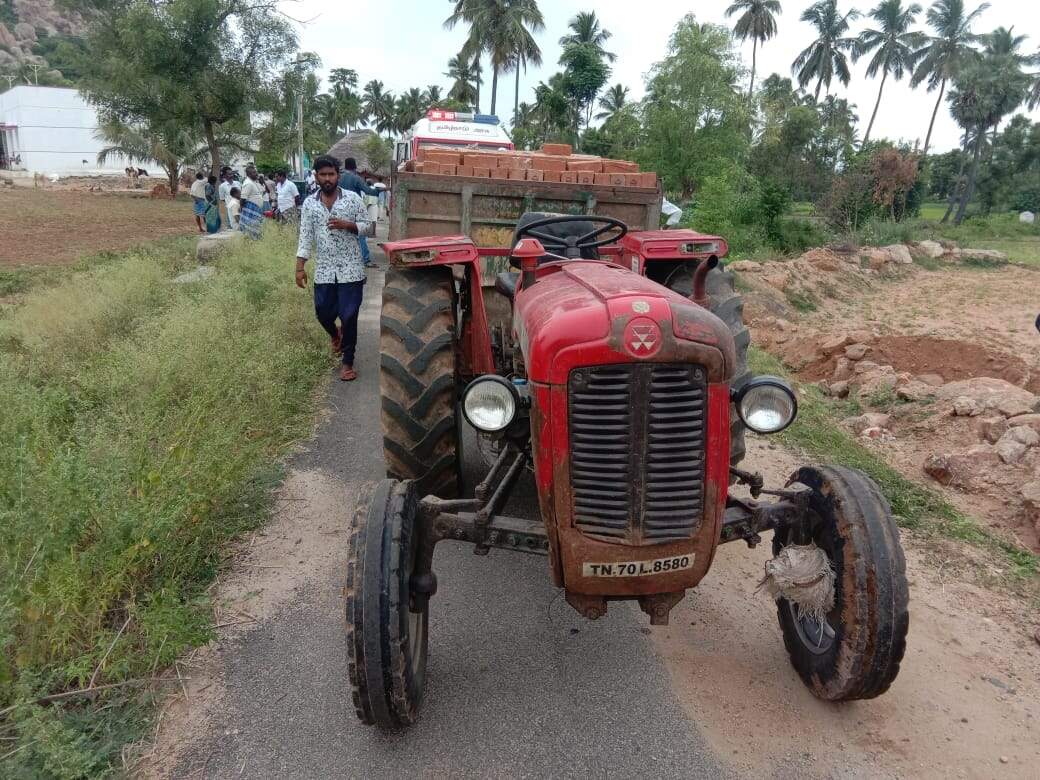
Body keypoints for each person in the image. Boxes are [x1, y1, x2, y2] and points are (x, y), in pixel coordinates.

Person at [296, 155, 371, 382]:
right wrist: (300, 267)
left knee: (349, 316)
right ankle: (334, 334)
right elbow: (306, 236)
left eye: (331, 174)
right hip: (325, 270)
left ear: (338, 175)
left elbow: (369, 227)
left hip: (351, 269)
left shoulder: (353, 200)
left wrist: (349, 225)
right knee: (322, 312)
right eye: (323, 175)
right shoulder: (310, 203)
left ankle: (347, 362)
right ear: (316, 177)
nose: (327, 179)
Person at [338, 158, 381, 266]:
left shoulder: (338, 177)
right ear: (355, 167)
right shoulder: (356, 178)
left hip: (339, 209)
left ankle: (343, 258)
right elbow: (368, 191)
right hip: (354, 210)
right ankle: (366, 259)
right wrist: (378, 190)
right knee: (361, 232)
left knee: (341, 233)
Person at [239, 165, 266, 239]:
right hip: (251, 210)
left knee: (255, 230)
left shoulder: (253, 182)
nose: (256, 174)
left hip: (256, 210)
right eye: (254, 173)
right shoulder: (248, 183)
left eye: (256, 172)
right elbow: (243, 198)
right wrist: (242, 208)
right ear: (249, 174)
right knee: (250, 231)